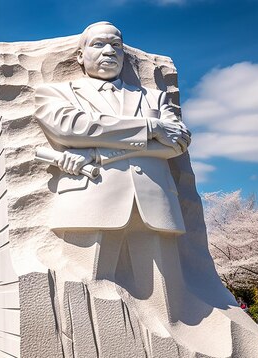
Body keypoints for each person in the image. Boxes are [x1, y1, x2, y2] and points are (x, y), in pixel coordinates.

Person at [33, 21, 191, 353]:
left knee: (168, 306)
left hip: (155, 202)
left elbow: (178, 142)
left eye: (116, 45)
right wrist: (148, 128)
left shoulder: (154, 96)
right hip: (89, 199)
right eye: (99, 45)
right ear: (79, 55)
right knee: (83, 287)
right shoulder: (58, 93)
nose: (109, 51)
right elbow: (71, 126)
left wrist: (99, 150)